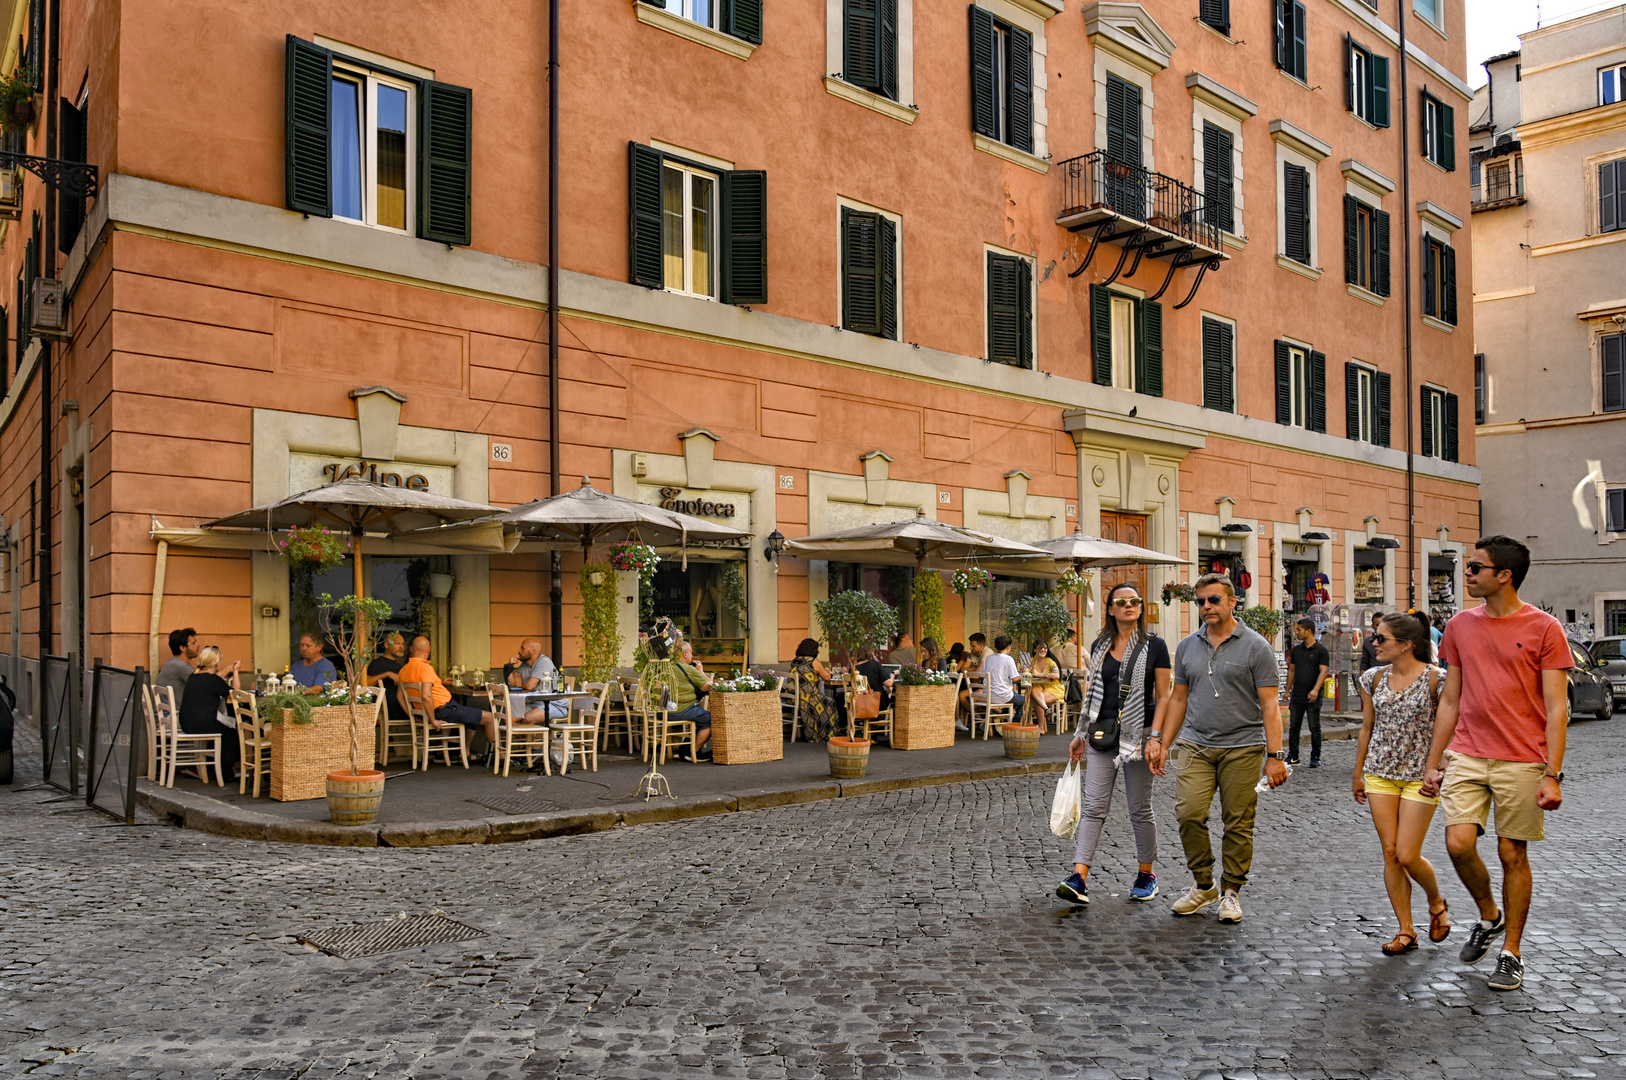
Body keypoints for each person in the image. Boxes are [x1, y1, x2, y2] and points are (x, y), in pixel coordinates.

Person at [1419, 536, 1571, 992]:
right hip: (1467, 752)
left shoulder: (1545, 629)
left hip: (1523, 758)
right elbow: (1450, 699)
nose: (1466, 573)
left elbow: (1557, 707)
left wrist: (1552, 774)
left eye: (1475, 567)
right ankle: (1489, 915)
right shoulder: (1460, 626)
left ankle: (1512, 953)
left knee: (1511, 852)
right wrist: (1433, 762)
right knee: (1459, 844)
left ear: (1503, 575)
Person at [1147, 573, 1286, 924]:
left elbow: (1270, 706)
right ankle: (1204, 884)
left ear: (1232, 602)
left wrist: (1275, 756)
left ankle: (1231, 892)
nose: (1206, 607)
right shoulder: (1188, 646)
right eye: (1200, 602)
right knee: (1188, 813)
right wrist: (1163, 742)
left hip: (1243, 746)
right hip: (1195, 743)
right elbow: (1178, 698)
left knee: (1238, 822)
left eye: (1213, 600)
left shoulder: (1256, 646)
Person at [1057, 582, 1170, 906]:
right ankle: (1079, 877)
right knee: (1093, 807)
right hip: (1101, 733)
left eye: (1135, 601)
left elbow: (1164, 695)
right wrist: (1080, 733)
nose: (1129, 606)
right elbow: (1094, 691)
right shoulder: (1099, 645)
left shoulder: (1156, 646)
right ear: (1110, 609)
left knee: (1139, 809)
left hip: (1138, 735)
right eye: (1122, 601)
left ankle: (1146, 875)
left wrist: (1156, 737)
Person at [1354, 612, 1452, 955]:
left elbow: (1450, 726)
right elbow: (1367, 727)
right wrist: (1358, 772)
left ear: (1407, 644)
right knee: (1391, 853)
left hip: (1419, 777)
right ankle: (1406, 930)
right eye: (1374, 636)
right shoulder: (1372, 678)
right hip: (1380, 773)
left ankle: (1436, 901)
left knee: (1408, 853)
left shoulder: (1437, 680)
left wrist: (1438, 767)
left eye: (1382, 638)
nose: (1374, 643)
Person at [398, 635, 499, 759]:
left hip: (436, 710)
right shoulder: (425, 668)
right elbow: (426, 695)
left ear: (412, 649)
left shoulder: (404, 669)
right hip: (444, 710)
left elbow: (400, 696)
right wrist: (433, 719)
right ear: (428, 650)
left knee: (472, 714)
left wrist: (413, 715)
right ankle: (498, 756)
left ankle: (465, 753)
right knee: (490, 717)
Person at [177, 645, 241, 780]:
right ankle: (225, 772)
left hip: (186, 723)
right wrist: (235, 672)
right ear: (216, 662)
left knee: (224, 727)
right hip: (202, 724)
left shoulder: (193, 677)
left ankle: (215, 768)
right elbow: (236, 693)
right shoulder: (213, 680)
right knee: (230, 732)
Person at [1286, 618, 1330, 767]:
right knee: (1294, 726)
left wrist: (1316, 689)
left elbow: (1324, 671)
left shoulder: (1321, 650)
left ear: (1308, 631)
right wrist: (1287, 691)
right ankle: (1293, 755)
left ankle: (1315, 756)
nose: (1296, 633)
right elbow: (1292, 670)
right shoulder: (1296, 650)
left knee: (1314, 727)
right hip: (1297, 694)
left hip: (1313, 695)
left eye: (1299, 630)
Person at [664, 642, 714, 760]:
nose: (692, 656)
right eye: (691, 653)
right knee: (711, 720)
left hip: (662, 710)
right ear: (685, 654)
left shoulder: (665, 666)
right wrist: (701, 672)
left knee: (684, 716)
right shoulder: (688, 668)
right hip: (680, 710)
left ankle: (677, 750)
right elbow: (709, 687)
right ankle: (693, 751)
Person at [788, 637, 840, 742]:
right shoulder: (813, 661)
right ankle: (828, 732)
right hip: (808, 699)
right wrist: (826, 669)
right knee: (830, 702)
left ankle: (820, 729)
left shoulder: (795, 661)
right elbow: (827, 677)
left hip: (793, 697)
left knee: (823, 700)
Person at [507, 637, 569, 720]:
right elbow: (513, 685)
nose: (518, 650)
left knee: (528, 718)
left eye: (522, 648)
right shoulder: (524, 665)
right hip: (535, 703)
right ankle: (527, 733)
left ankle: (531, 732)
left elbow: (529, 686)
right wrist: (509, 666)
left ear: (533, 651)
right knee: (509, 718)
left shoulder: (543, 662)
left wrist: (521, 685)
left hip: (555, 704)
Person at [365, 631, 410, 730]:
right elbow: (366, 684)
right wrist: (386, 674)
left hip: (402, 706)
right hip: (394, 710)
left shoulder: (399, 665)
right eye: (397, 643)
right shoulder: (378, 664)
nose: (401, 647)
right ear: (386, 644)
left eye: (403, 644)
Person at [976, 635, 1023, 727]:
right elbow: (1015, 678)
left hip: (988, 696)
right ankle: (1014, 724)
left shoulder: (988, 658)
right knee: (1024, 701)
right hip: (1003, 696)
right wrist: (1023, 674)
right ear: (1008, 647)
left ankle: (1002, 720)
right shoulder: (1008, 659)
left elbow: (982, 675)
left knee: (1013, 698)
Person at [851, 647, 896, 733]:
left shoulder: (853, 669)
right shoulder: (875, 665)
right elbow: (889, 683)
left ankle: (865, 731)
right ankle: (874, 731)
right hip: (877, 702)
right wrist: (893, 674)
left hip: (858, 702)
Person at [1026, 641, 1066, 723]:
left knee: (1036, 698)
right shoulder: (1031, 661)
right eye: (1040, 648)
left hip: (1054, 688)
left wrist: (1039, 674)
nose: (1043, 650)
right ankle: (1046, 709)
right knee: (1034, 689)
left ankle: (1041, 727)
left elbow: (1057, 675)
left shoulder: (1050, 661)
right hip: (1040, 687)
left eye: (1045, 648)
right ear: (1034, 650)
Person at [956, 633, 988, 727]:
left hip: (987, 686)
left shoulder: (987, 653)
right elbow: (963, 669)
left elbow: (976, 675)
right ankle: (980, 720)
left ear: (981, 646)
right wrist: (975, 669)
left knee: (966, 695)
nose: (970, 648)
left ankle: (989, 717)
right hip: (977, 684)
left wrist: (974, 669)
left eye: (973, 646)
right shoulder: (973, 654)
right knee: (960, 695)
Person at [155, 627, 198, 698]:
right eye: (193, 643)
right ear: (183, 648)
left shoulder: (173, 662)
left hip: (165, 708)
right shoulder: (181, 666)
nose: (198, 645)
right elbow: (203, 685)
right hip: (176, 709)